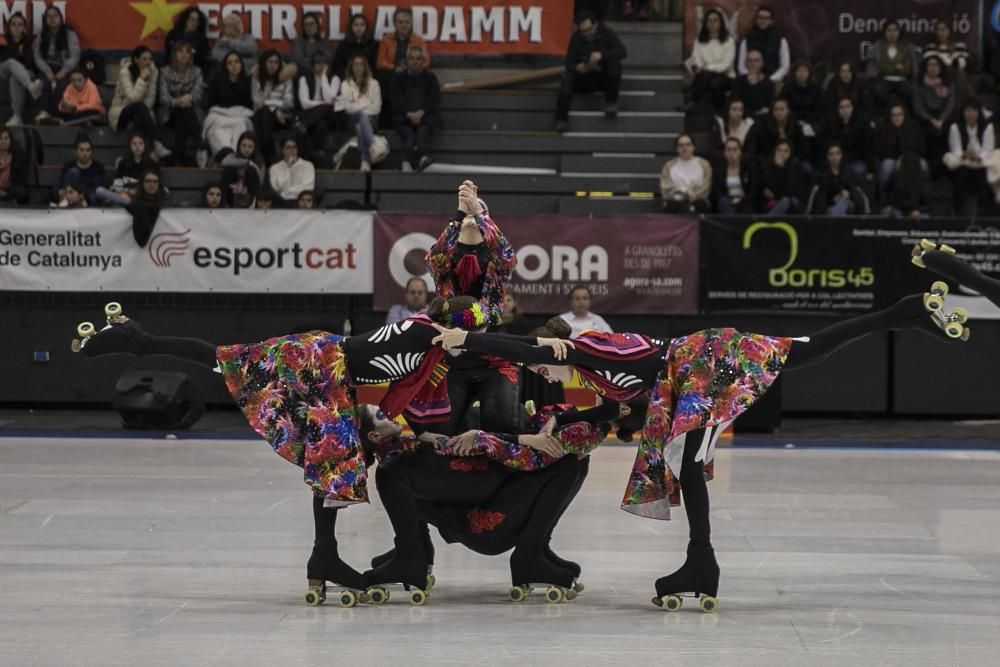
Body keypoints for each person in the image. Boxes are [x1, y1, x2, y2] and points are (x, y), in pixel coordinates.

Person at [431, 279, 967, 609]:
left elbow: (527, 347)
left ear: (559, 345)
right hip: (703, 357)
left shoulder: (590, 351)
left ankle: (701, 565)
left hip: (703, 364)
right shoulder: (598, 365)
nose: (545, 372)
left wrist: (470, 339)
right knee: (809, 349)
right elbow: (621, 407)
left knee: (689, 463)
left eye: (547, 362)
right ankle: (906, 312)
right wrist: (571, 419)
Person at [70, 290, 569, 605]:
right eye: (470, 332)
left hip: (324, 361)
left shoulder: (430, 344)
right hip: (321, 364)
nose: (475, 342)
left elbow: (402, 391)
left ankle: (137, 339)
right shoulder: (428, 334)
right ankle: (323, 558)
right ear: (453, 327)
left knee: (231, 366)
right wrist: (544, 347)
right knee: (334, 457)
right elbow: (485, 328)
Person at [423, 182, 520, 437]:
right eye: (465, 215)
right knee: (443, 428)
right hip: (454, 358)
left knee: (500, 424)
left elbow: (508, 257)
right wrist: (459, 214)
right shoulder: (444, 260)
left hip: (492, 357)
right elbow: (433, 258)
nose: (469, 218)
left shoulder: (496, 261)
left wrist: (477, 211)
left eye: (475, 215)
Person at [554, 11, 627, 132]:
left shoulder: (607, 33)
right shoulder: (576, 39)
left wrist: (602, 55)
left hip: (604, 78)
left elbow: (622, 52)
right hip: (584, 78)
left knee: (615, 64)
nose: (587, 34)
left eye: (589, 30)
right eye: (583, 31)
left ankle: (611, 103)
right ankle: (561, 119)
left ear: (595, 25)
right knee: (567, 78)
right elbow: (569, 63)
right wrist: (577, 67)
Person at [109, 46, 169, 158]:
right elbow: (133, 98)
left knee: (138, 116)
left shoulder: (153, 70)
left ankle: (140, 157)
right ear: (136, 59)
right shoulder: (125, 72)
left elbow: (151, 98)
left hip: (141, 112)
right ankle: (156, 144)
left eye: (150, 59)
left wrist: (142, 110)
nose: (148, 62)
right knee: (138, 107)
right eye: (144, 59)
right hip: (121, 112)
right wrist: (142, 78)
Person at [375, 7, 430, 120]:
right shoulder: (386, 40)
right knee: (386, 78)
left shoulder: (418, 40)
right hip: (392, 74)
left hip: (411, 73)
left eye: (407, 22)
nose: (404, 25)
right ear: (395, 24)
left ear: (411, 24)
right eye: (400, 22)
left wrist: (410, 68)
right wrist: (395, 68)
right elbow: (380, 62)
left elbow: (426, 62)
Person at [390, 46, 439, 171]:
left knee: (422, 133)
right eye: (411, 58)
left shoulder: (431, 78)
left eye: (418, 58)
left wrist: (420, 113)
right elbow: (397, 100)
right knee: (409, 135)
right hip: (403, 118)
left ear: (423, 61)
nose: (415, 61)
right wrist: (410, 114)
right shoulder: (398, 79)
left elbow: (433, 100)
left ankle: (408, 162)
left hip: (425, 117)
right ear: (406, 60)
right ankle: (418, 160)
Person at [943, 99, 995, 216]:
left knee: (982, 174)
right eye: (967, 110)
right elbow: (955, 149)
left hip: (980, 162)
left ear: (978, 112)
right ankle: (959, 210)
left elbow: (988, 149)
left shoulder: (987, 127)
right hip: (962, 161)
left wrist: (978, 156)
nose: (970, 114)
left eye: (973, 110)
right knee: (961, 174)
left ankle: (985, 210)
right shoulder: (955, 127)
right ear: (963, 112)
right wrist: (964, 155)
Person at [158, 40, 204, 166]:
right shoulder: (164, 71)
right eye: (180, 51)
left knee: (182, 116)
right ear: (174, 54)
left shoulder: (197, 71)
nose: (184, 54)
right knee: (182, 111)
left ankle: (178, 156)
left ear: (191, 55)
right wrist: (178, 101)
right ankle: (199, 137)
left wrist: (188, 98)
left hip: (191, 111)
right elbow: (163, 97)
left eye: (187, 51)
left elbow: (198, 95)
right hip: (169, 112)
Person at [680, 8, 735, 113]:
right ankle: (721, 113)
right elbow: (697, 60)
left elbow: (727, 65)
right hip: (707, 77)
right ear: (705, 23)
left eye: (715, 20)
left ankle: (692, 101)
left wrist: (707, 67)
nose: (712, 23)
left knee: (712, 79)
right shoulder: (699, 41)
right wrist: (703, 67)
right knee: (713, 82)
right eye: (709, 21)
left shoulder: (729, 41)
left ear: (721, 23)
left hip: (727, 77)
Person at [33, 5, 80, 123]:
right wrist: (47, 71)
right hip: (47, 69)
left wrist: (63, 72)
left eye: (55, 16)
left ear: (61, 18)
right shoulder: (41, 35)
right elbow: (37, 56)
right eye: (49, 16)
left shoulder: (70, 34)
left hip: (65, 69)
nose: (52, 19)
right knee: (43, 83)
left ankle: (53, 115)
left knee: (62, 85)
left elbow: (75, 56)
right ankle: (44, 113)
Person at [203, 51, 254, 159]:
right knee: (216, 132)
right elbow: (212, 106)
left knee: (241, 124)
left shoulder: (248, 82)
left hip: (240, 117)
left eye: (236, 62)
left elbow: (249, 107)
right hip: (220, 117)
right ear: (225, 66)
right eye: (230, 63)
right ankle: (226, 156)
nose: (234, 65)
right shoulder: (217, 82)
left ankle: (238, 156)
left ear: (241, 64)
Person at [337, 54, 382, 173]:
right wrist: (366, 105)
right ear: (351, 67)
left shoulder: (374, 84)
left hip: (372, 120)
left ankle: (365, 161)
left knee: (360, 124)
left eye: (361, 64)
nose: (359, 67)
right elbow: (347, 107)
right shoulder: (345, 84)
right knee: (360, 118)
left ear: (365, 67)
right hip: (351, 119)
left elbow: (377, 108)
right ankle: (372, 147)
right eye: (356, 64)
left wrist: (358, 107)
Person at [252, 50, 296, 166]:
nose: (273, 65)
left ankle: (266, 158)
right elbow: (257, 102)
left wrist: (268, 103)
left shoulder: (286, 78)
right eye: (270, 62)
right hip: (264, 116)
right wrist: (274, 109)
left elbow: (289, 102)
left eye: (276, 62)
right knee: (262, 115)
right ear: (264, 63)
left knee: (264, 114)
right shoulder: (256, 78)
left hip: (283, 118)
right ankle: (269, 158)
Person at [912, 56, 955, 171]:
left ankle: (947, 165)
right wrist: (931, 119)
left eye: (936, 65)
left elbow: (950, 104)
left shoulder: (948, 82)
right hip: (926, 117)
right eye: (930, 65)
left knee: (949, 130)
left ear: (941, 68)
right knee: (928, 132)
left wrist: (942, 119)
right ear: (925, 67)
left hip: (944, 116)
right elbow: (918, 106)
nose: (933, 68)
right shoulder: (919, 82)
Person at [0, 12, 44, 126]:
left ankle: (17, 116)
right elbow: (4, 58)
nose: (16, 27)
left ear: (24, 27)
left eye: (19, 24)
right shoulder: (3, 39)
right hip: (3, 70)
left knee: (15, 78)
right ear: (9, 27)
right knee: (11, 62)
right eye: (13, 24)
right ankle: (31, 87)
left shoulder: (29, 41)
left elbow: (31, 63)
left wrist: (22, 52)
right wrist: (19, 53)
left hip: (24, 73)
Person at [297, 52, 340, 167]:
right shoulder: (304, 78)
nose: (321, 66)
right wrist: (323, 104)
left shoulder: (334, 78)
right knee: (320, 124)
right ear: (312, 65)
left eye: (324, 63)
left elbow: (330, 99)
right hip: (310, 113)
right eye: (317, 63)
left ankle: (303, 126)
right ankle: (316, 153)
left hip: (329, 115)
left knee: (326, 108)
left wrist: (324, 77)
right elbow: (305, 103)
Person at [865, 21, 917, 113]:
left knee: (911, 92)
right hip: (883, 79)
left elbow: (907, 69)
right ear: (885, 32)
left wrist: (892, 68)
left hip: (902, 80)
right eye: (889, 30)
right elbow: (880, 67)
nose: (892, 33)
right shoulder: (879, 46)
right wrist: (896, 67)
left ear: (899, 32)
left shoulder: (906, 46)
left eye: (895, 30)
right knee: (878, 91)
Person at [875, 103, 926, 190]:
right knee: (886, 165)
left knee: (923, 164)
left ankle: (920, 196)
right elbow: (880, 151)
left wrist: (904, 159)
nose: (897, 118)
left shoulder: (913, 127)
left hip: (911, 159)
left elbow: (921, 148)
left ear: (904, 115)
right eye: (894, 115)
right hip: (892, 159)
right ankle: (885, 198)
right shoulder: (884, 128)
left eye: (899, 114)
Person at [809, 143, 867, 215]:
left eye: (838, 153)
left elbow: (858, 196)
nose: (835, 157)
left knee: (844, 201)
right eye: (832, 154)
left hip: (848, 205)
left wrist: (848, 195)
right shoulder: (821, 175)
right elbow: (819, 202)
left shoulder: (848, 173)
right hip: (829, 208)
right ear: (827, 156)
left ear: (842, 155)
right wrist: (833, 200)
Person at [660, 133, 712, 213]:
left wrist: (693, 195)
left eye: (688, 145)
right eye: (681, 145)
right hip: (675, 202)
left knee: (696, 206)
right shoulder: (669, 166)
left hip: (697, 201)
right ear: (677, 148)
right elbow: (665, 189)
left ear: (693, 147)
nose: (685, 148)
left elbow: (706, 187)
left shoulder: (704, 164)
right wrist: (684, 192)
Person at [736, 6, 789, 83]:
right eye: (760, 18)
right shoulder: (747, 39)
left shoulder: (780, 40)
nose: (763, 21)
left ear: (771, 21)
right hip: (749, 80)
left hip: (773, 79)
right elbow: (741, 66)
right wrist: (749, 77)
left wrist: (770, 79)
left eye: (766, 18)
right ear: (756, 20)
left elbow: (785, 66)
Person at [823, 96, 870, 183]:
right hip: (835, 160)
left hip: (855, 159)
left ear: (853, 107)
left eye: (848, 106)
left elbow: (867, 147)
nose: (845, 110)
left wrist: (871, 170)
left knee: (859, 169)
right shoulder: (831, 123)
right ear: (837, 109)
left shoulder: (862, 123)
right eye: (842, 107)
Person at [754, 99, 807, 169]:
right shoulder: (765, 127)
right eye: (776, 110)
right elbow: (762, 149)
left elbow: (802, 147)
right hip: (770, 160)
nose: (779, 113)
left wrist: (795, 159)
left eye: (782, 109)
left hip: (792, 160)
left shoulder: (795, 126)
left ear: (788, 111)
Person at [758, 140, 805, 215]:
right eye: (779, 150)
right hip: (771, 204)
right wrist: (778, 169)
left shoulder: (796, 167)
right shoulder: (767, 167)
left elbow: (791, 191)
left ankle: (768, 222)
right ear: (774, 151)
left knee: (785, 201)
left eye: (786, 151)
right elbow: (768, 191)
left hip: (792, 204)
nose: (782, 153)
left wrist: (781, 169)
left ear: (790, 153)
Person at [219, 130, 264, 208]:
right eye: (244, 146)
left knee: (251, 170)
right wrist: (247, 162)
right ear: (239, 146)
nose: (247, 149)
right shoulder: (233, 157)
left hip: (249, 194)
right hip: (232, 192)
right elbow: (224, 162)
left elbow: (259, 183)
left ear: (255, 148)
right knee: (229, 169)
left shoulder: (259, 162)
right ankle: (224, 206)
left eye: (250, 146)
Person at [711, 137, 755, 214]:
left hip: (744, 202)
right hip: (726, 202)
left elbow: (753, 191)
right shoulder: (719, 170)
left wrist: (741, 201)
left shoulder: (749, 169)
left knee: (747, 208)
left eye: (735, 150)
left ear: (740, 152)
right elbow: (717, 193)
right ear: (724, 152)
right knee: (723, 202)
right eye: (728, 150)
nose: (731, 153)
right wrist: (730, 200)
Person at [58, 134, 106, 205]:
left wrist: (81, 196)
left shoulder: (98, 167)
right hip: (70, 198)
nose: (85, 153)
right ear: (75, 152)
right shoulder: (68, 166)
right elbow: (60, 184)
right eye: (82, 150)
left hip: (89, 201)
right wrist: (60, 191)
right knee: (73, 172)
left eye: (88, 150)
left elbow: (97, 189)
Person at [881, 151, 929, 219]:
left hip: (915, 210)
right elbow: (885, 191)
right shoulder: (896, 175)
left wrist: (918, 210)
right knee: (895, 214)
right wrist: (888, 205)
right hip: (898, 208)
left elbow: (925, 202)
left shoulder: (922, 178)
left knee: (924, 216)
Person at [268, 137, 315, 206]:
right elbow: (276, 188)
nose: (291, 150)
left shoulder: (308, 165)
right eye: (288, 147)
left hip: (300, 202)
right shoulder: (274, 168)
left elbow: (308, 188)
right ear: (282, 150)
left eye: (294, 147)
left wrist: (286, 192)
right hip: (282, 202)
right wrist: (288, 168)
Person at [780, 61, 822, 135]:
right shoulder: (787, 88)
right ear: (794, 73)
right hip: (792, 120)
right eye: (799, 71)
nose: (802, 74)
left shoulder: (816, 88)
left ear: (809, 73)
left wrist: (807, 121)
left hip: (812, 120)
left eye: (805, 71)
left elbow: (819, 108)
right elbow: (783, 106)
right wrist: (796, 121)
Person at [333, 13, 378, 78]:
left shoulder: (372, 44)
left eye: (362, 25)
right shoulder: (344, 44)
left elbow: (374, 65)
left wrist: (365, 75)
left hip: (367, 78)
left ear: (366, 27)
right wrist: (349, 74)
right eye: (356, 25)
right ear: (351, 27)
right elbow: (337, 64)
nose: (359, 28)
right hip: (348, 78)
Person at [730, 49, 773, 117]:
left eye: (756, 61)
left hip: (762, 118)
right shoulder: (738, 81)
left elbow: (766, 106)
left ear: (762, 63)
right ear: (746, 63)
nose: (753, 64)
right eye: (750, 61)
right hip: (741, 116)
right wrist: (754, 113)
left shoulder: (768, 83)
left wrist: (754, 83)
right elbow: (734, 102)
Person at [0, 126, 29, 205]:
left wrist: (4, 193)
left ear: (10, 140)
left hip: (9, 190)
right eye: (0, 139)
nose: (3, 141)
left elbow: (20, 181)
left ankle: (5, 199)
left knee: (19, 191)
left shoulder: (18, 156)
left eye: (6, 138)